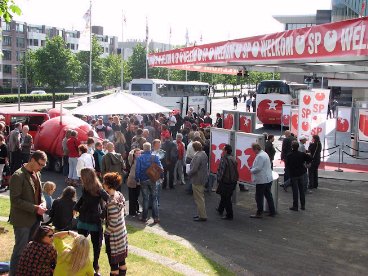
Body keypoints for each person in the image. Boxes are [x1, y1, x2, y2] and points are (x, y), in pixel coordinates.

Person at [9, 150, 48, 276]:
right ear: (32, 159)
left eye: (43, 165)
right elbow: (15, 201)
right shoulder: (18, 176)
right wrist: (35, 208)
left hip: (35, 219)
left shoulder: (37, 174)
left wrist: (43, 203)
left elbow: (39, 193)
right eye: (40, 164)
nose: (41, 168)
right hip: (22, 220)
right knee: (20, 251)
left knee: (31, 251)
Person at [74, 168, 109, 275]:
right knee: (80, 244)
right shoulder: (85, 187)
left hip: (94, 220)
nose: (80, 178)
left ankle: (95, 265)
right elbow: (83, 198)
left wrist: (102, 215)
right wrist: (76, 207)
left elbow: (109, 200)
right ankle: (81, 263)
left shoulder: (98, 189)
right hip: (84, 219)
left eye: (82, 176)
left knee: (96, 245)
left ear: (87, 178)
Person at [102, 173, 128, 276]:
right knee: (122, 262)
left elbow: (113, 221)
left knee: (114, 266)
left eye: (104, 182)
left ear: (108, 185)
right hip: (122, 233)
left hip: (114, 237)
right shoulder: (119, 195)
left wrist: (106, 233)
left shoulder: (112, 201)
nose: (103, 184)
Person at [135, 142, 163, 223]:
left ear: (143, 148)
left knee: (145, 199)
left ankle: (144, 217)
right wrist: (161, 177)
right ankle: (156, 218)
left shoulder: (140, 158)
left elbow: (137, 170)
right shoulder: (155, 157)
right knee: (154, 199)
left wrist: (137, 179)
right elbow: (160, 168)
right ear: (150, 148)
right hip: (153, 179)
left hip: (143, 180)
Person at [249, 143, 276, 218]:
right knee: (268, 195)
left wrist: (251, 170)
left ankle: (259, 213)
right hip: (267, 179)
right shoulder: (264, 154)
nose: (254, 152)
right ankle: (272, 211)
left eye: (253, 150)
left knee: (259, 197)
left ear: (256, 149)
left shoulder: (260, 156)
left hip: (262, 180)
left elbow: (258, 168)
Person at [286, 141, 312, 211]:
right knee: (301, 190)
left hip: (293, 174)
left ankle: (295, 206)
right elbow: (309, 158)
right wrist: (305, 163)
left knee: (295, 191)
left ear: (292, 147)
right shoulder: (302, 154)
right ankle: (303, 205)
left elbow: (287, 165)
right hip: (301, 173)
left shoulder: (289, 155)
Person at [216, 144, 239, 220]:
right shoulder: (233, 158)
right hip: (233, 181)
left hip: (226, 181)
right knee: (225, 196)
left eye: (223, 150)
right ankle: (220, 209)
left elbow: (221, 171)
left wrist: (218, 180)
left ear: (226, 151)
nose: (222, 151)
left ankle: (229, 215)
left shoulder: (224, 159)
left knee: (226, 198)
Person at [188, 141, 209, 222]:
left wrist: (189, 173)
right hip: (202, 178)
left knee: (199, 198)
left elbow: (194, 169)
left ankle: (202, 216)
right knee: (200, 197)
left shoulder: (198, 156)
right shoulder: (204, 154)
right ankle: (201, 214)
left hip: (197, 179)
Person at [126, 148, 141, 216]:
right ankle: (132, 212)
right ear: (134, 154)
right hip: (131, 180)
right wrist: (135, 149)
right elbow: (130, 153)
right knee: (132, 197)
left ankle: (136, 209)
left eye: (139, 153)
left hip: (138, 181)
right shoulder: (131, 160)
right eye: (137, 153)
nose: (138, 154)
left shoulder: (141, 160)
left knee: (136, 196)